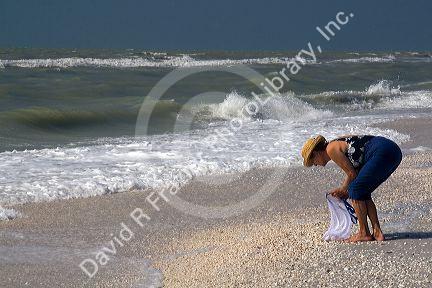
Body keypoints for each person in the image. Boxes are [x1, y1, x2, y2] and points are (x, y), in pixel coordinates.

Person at [301, 135, 402, 242]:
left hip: (381, 151)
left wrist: (344, 189)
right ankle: (377, 232)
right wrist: (345, 189)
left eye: (312, 162)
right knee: (362, 191)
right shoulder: (336, 143)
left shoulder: (331, 149)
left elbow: (351, 173)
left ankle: (364, 233)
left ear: (316, 153)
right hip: (392, 150)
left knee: (355, 190)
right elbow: (356, 172)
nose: (315, 165)